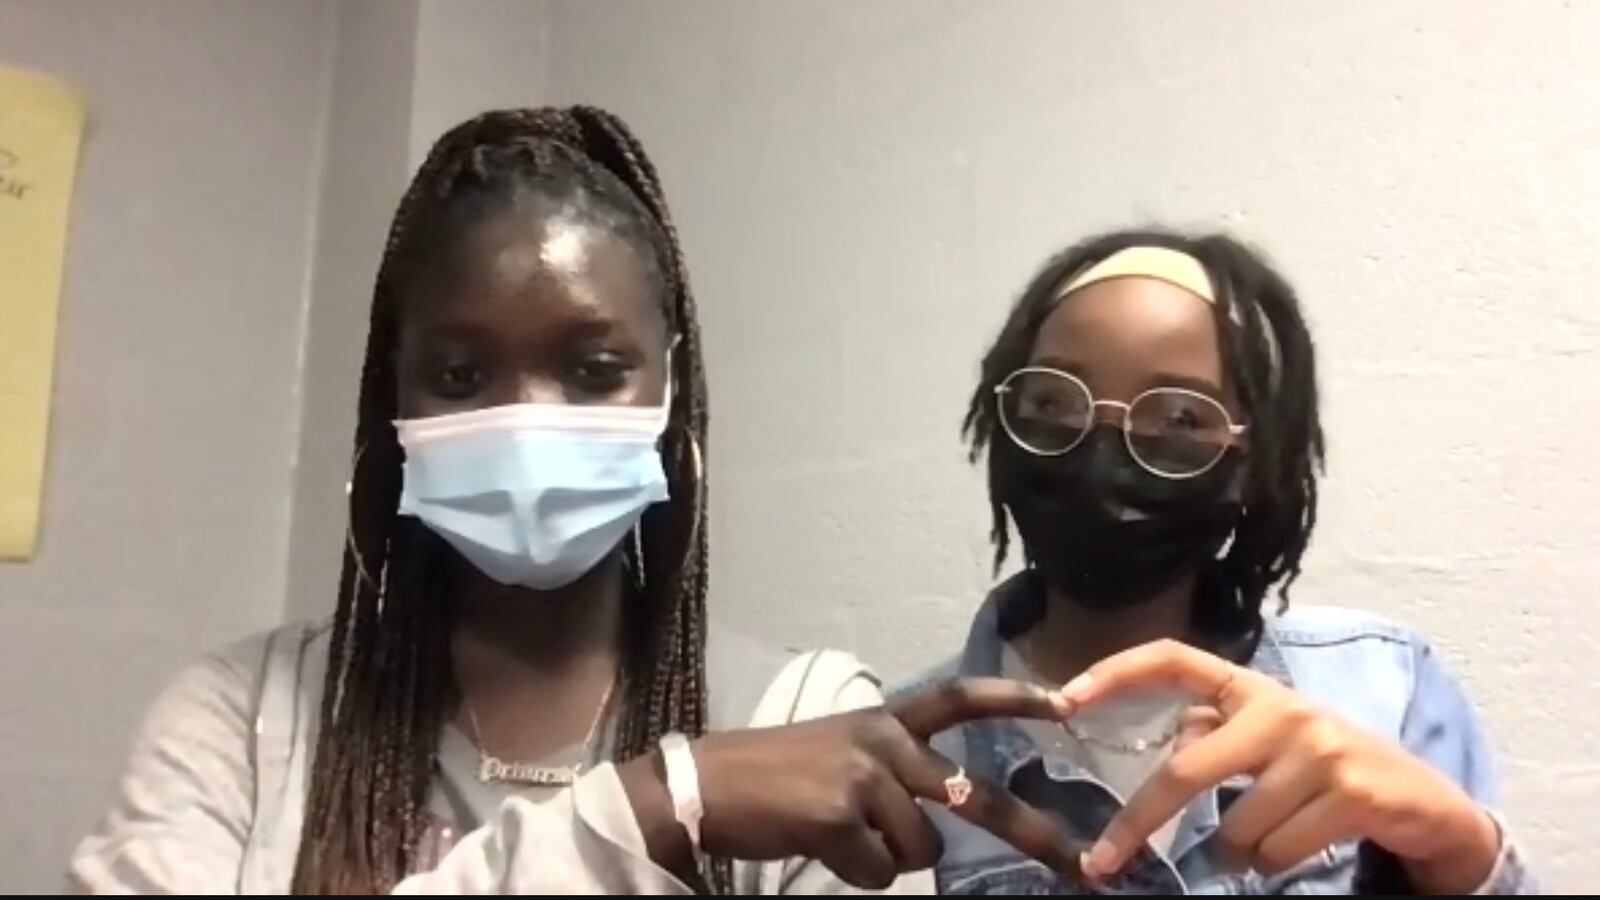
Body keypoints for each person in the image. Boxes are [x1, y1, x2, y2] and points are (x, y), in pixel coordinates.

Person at [67, 107, 1080, 894]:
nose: (526, 421)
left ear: (669, 386)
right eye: (461, 378)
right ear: (395, 396)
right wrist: (650, 811)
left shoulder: (804, 722)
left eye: (595, 370)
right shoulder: (240, 723)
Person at [915, 229, 1537, 894]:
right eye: (1053, 403)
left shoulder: (1384, 687)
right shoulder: (906, 757)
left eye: (1181, 418)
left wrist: (1458, 846)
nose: (1100, 455)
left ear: (1252, 464)